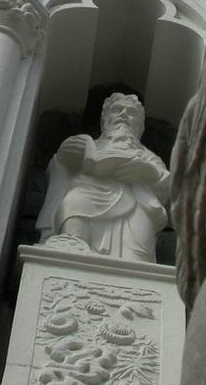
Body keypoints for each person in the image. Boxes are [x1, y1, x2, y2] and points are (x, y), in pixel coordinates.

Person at [37, 93, 170, 263]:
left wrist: (147, 172)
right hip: (88, 193)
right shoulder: (90, 145)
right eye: (117, 110)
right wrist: (62, 158)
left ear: (140, 126)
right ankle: (72, 243)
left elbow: (166, 183)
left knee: (137, 256)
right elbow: (59, 171)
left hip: (135, 206)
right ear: (104, 120)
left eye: (130, 112)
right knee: (74, 200)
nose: (123, 114)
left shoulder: (146, 155)